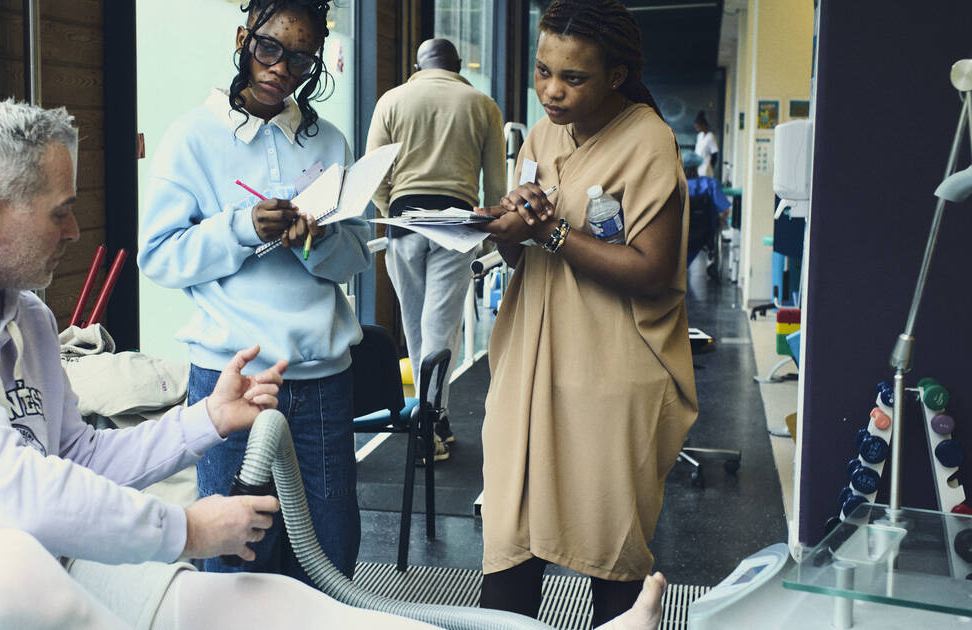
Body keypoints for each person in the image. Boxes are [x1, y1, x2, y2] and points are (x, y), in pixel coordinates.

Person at [0, 97, 439, 630]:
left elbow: (76, 459)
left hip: (39, 574)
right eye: (60, 213)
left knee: (250, 605)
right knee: (11, 563)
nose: (73, 232)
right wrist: (183, 529)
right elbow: (14, 501)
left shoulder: (27, 317)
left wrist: (206, 419)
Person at [472, 1, 696, 627]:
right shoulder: (542, 135)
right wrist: (507, 223)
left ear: (616, 76)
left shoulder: (649, 140)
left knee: (609, 552)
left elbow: (652, 271)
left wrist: (555, 235)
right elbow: (518, 253)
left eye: (573, 78)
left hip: (608, 370)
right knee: (508, 540)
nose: (552, 90)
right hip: (529, 364)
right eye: (543, 71)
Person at [137, 0, 371, 583]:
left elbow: (356, 257)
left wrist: (312, 242)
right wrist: (241, 227)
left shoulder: (330, 143)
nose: (281, 70)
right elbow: (159, 256)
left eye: (301, 60)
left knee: (329, 561)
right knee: (231, 560)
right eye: (270, 49)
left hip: (320, 380)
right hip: (229, 377)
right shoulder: (191, 137)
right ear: (244, 39)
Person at [366, 38, 507, 460]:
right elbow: (497, 185)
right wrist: (491, 233)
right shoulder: (482, 104)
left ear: (416, 65)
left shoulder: (392, 100)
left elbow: (373, 173)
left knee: (416, 326)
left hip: (405, 221)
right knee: (441, 326)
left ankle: (430, 419)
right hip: (457, 223)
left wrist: (392, 205)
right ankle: (432, 419)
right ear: (459, 65)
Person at [683, 151, 731, 270]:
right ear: (697, 166)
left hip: (679, 235)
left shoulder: (675, 185)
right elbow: (725, 210)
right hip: (705, 235)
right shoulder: (709, 184)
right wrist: (720, 220)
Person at [693, 111, 719, 178]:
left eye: (698, 126)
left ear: (703, 125)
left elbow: (714, 154)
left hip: (706, 168)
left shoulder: (710, 136)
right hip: (697, 168)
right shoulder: (699, 136)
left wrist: (710, 167)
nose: (696, 128)